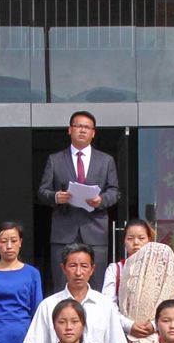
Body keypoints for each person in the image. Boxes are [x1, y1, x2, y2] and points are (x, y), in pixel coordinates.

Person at [23, 243, 129, 343]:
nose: (78, 272)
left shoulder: (105, 305)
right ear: (63, 268)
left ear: (92, 269)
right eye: (73, 266)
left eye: (84, 266)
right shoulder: (48, 305)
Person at [37, 110, 120, 290]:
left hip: (95, 230)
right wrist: (56, 197)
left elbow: (114, 192)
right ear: (69, 130)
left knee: (96, 285)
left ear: (93, 132)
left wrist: (101, 200)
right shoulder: (55, 159)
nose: (82, 130)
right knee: (62, 284)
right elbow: (42, 192)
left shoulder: (106, 160)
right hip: (63, 231)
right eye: (78, 126)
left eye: (87, 127)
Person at [102, 218, 155, 343]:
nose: (136, 243)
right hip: (122, 339)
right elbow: (109, 306)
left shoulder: (159, 272)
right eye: (130, 238)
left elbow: (169, 304)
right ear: (124, 241)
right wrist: (129, 325)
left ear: (150, 240)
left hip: (153, 338)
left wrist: (154, 325)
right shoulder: (115, 270)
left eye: (141, 238)